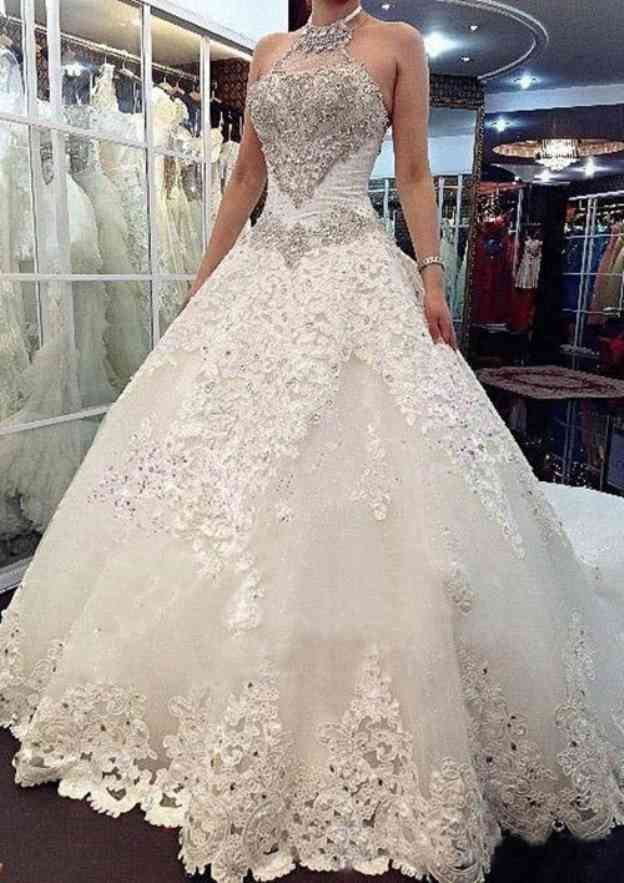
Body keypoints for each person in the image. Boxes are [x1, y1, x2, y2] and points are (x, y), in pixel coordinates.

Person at [2, 3, 624, 883]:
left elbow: (415, 172)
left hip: (353, 270)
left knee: (370, 462)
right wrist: (204, 279)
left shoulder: (398, 46)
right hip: (262, 275)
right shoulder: (268, 50)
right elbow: (245, 177)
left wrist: (432, 275)